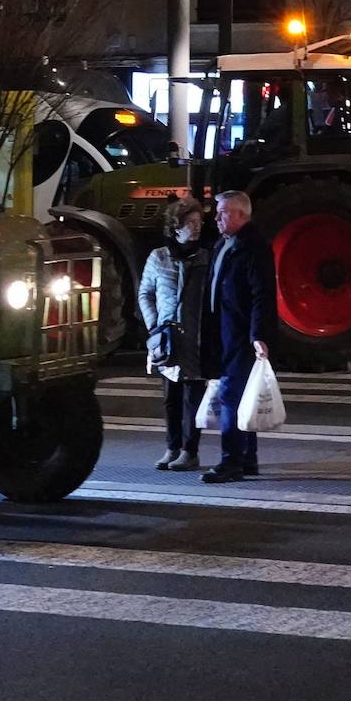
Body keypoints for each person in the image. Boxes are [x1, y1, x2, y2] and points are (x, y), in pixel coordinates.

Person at [201, 190, 276, 484]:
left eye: (223, 213)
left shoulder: (253, 246)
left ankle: (231, 461)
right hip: (225, 330)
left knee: (233, 396)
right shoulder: (225, 243)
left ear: (241, 215)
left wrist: (259, 334)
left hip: (240, 333)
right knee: (242, 396)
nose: (217, 218)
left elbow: (262, 294)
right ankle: (248, 458)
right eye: (217, 212)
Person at [138, 196, 209, 471]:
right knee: (171, 397)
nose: (196, 227)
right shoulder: (158, 257)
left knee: (193, 396)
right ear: (176, 227)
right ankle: (172, 447)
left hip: (195, 338)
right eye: (190, 222)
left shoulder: (205, 257)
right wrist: (155, 325)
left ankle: (190, 452)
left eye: (198, 222)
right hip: (167, 339)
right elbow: (145, 293)